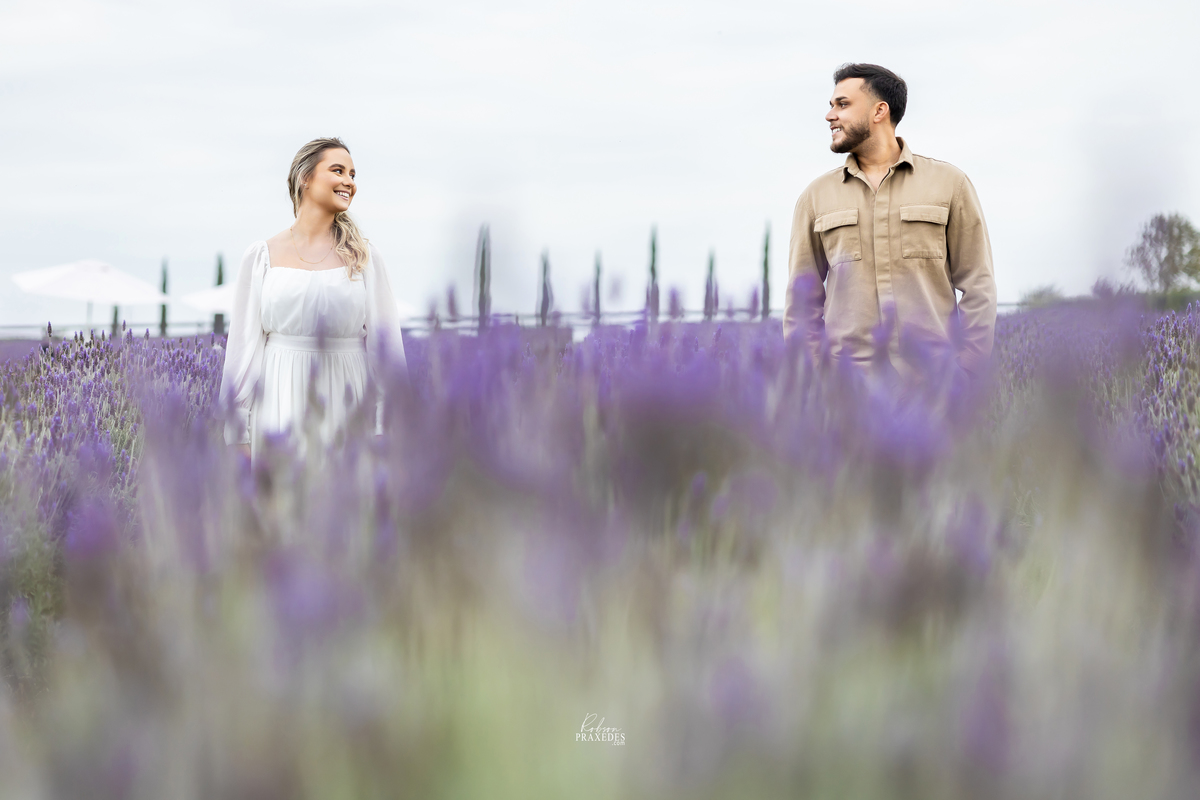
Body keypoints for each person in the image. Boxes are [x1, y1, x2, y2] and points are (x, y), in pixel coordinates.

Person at [782, 64, 996, 377]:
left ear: (879, 111)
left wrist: (968, 370)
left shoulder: (950, 185)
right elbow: (802, 302)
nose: (830, 115)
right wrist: (814, 381)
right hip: (849, 390)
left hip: (934, 386)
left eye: (842, 104)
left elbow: (979, 284)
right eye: (831, 106)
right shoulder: (815, 198)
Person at [219, 137, 407, 462]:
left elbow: (388, 354)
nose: (349, 182)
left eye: (353, 174)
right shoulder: (261, 256)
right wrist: (238, 439)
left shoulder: (365, 258)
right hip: (277, 409)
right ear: (305, 177)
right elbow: (241, 354)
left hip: (350, 409)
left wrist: (385, 431)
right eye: (338, 170)